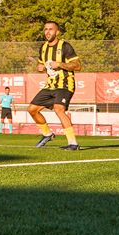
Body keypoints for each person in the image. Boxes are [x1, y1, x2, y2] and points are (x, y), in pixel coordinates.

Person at [28, 21, 82, 150]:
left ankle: (73, 143)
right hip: (50, 85)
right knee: (32, 110)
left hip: (65, 84)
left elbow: (78, 65)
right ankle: (47, 134)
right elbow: (44, 66)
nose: (47, 32)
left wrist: (60, 64)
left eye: (51, 29)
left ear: (57, 32)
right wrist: (40, 68)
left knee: (59, 109)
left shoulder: (65, 46)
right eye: (45, 29)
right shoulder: (43, 48)